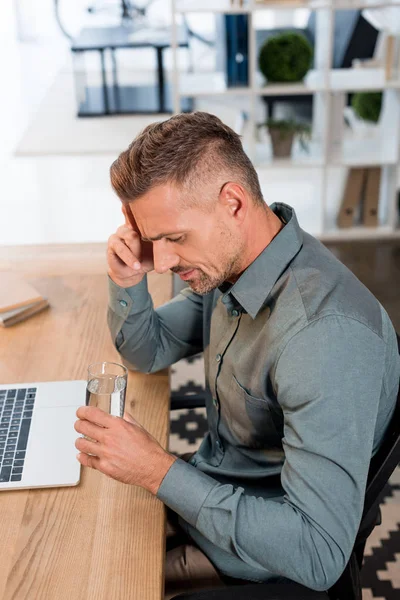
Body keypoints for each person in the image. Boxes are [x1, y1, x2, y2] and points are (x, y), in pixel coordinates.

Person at [74, 112, 400, 598]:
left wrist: (158, 470)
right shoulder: (233, 267)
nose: (162, 261)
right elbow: (149, 350)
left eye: (174, 237)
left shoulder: (322, 339)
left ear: (233, 202)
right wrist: (128, 280)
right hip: (207, 492)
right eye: (153, 237)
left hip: (252, 556)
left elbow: (318, 552)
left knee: (76, 574)